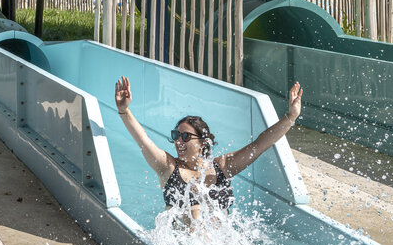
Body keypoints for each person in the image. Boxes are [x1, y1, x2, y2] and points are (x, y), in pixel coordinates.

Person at [113, 76, 302, 219]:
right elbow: (143, 141)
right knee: (194, 211)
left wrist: (291, 117)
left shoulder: (222, 167)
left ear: (203, 142)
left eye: (185, 136)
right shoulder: (169, 168)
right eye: (176, 136)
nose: (179, 141)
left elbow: (259, 145)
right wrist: (124, 110)